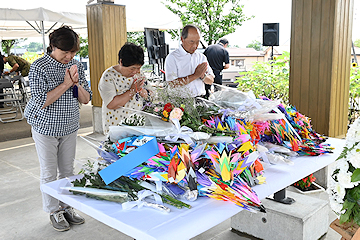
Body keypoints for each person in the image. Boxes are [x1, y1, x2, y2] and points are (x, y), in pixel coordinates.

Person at [24, 26, 92, 232]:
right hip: (45, 126)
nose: (69, 57)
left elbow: (86, 99)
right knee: (49, 173)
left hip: (70, 125)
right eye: (65, 52)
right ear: (53, 46)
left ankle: (66, 206)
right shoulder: (39, 67)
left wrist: (77, 84)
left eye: (73, 52)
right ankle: (54, 211)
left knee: (68, 171)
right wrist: (65, 84)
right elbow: (40, 101)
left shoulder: (76, 65)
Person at [98, 42, 151, 135]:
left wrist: (141, 91)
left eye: (138, 68)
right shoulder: (109, 76)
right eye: (132, 68)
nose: (135, 71)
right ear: (121, 62)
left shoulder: (139, 74)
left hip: (138, 126)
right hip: (117, 127)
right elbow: (111, 104)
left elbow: (150, 96)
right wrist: (132, 90)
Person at [165, 24, 214, 97]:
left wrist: (203, 76)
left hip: (200, 99)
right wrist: (195, 75)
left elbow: (211, 80)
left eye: (198, 42)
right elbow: (172, 83)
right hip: (181, 102)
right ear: (182, 39)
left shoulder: (201, 57)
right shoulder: (172, 57)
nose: (195, 46)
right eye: (191, 42)